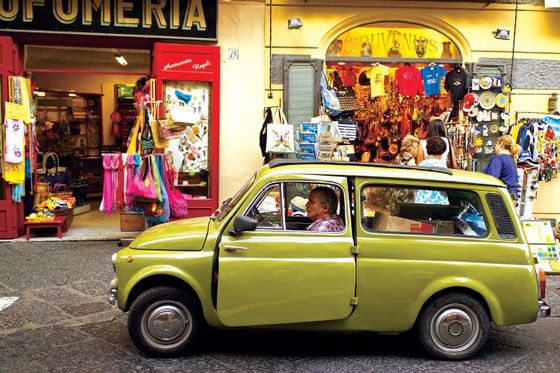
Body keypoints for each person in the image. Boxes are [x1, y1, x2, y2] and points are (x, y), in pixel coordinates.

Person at [483, 135, 522, 199]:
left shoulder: (498, 159)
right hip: (510, 196)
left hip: (500, 198)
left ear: (501, 145)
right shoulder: (511, 160)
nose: (494, 147)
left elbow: (492, 180)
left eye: (496, 144)